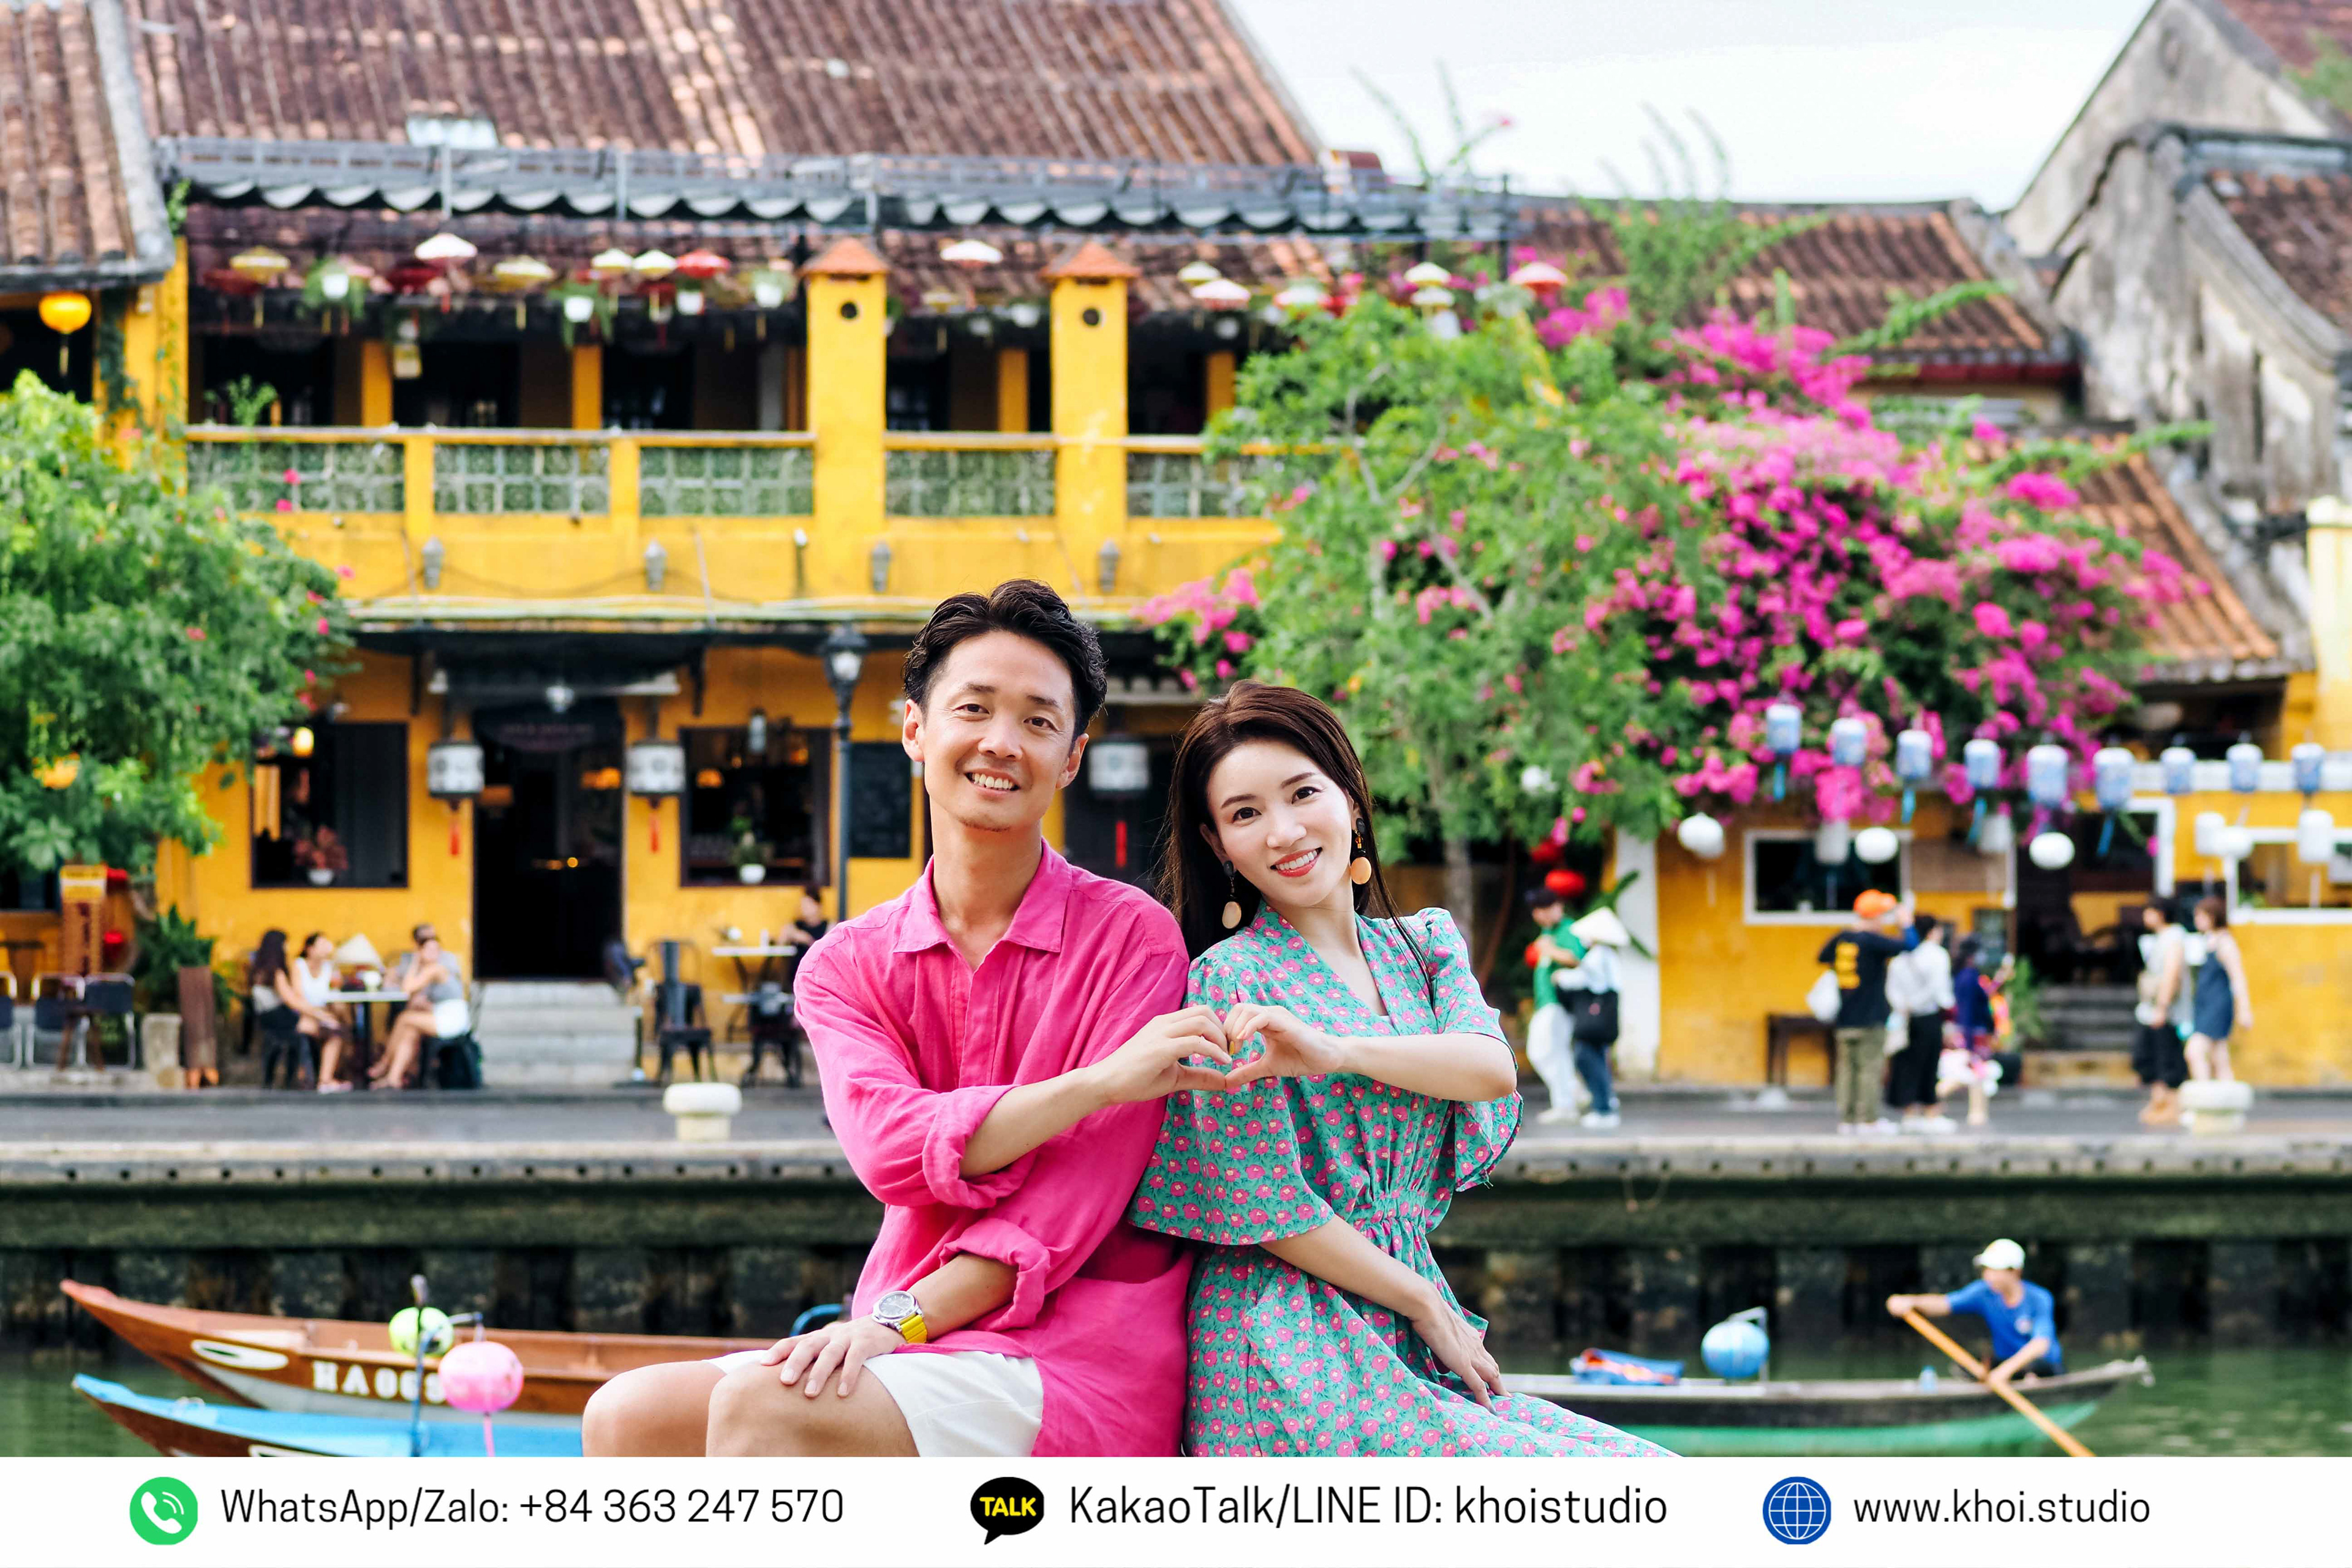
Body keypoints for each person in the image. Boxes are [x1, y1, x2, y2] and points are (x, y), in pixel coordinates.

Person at [584, 580, 1221, 1460]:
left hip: (1074, 1352)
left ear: (1072, 758)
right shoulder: (847, 964)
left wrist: (897, 1322)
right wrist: (1091, 1086)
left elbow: (1060, 1215)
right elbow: (890, 1153)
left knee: (769, 1412)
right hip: (906, 1330)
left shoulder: (1132, 940)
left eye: (1039, 722)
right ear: (916, 729)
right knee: (627, 1414)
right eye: (975, 709)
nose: (1002, 743)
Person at [1128, 680, 1668, 1457]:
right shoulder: (1229, 981)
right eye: (1245, 814)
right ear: (1220, 845)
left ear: (1350, 797)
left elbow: (1490, 1069)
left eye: (1302, 792)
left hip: (1409, 1310)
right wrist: (1419, 1297)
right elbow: (1265, 1204)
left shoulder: (1423, 946)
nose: (1283, 831)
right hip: (1284, 1332)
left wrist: (1336, 1050)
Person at [1885, 1238, 2064, 1386]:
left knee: (2035, 1369)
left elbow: (2041, 1345)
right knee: (1966, 1367)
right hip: (2004, 1361)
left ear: (2015, 1272)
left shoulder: (2039, 1298)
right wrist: (1910, 1301)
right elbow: (1943, 1304)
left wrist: (2004, 1372)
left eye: (1995, 1270)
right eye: (1987, 1270)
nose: (1988, 1276)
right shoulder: (1984, 1292)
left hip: (2041, 1366)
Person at [1817, 890, 1912, 1136]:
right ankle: (1868, 1120)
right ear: (1875, 917)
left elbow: (1822, 956)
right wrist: (1907, 924)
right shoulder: (1872, 941)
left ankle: (1847, 1121)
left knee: (1846, 1071)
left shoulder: (1843, 938)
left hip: (1845, 1019)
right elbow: (1910, 945)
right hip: (1871, 1018)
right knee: (1870, 1069)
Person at [1556, 907, 1626, 1131]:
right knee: (1599, 1059)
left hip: (1595, 1018)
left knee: (1586, 1058)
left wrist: (1560, 977)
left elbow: (1584, 979)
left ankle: (1603, 1109)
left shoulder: (1599, 955)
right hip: (1606, 1017)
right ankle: (1605, 1103)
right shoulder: (1607, 954)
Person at [1885, 914, 1954, 1135]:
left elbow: (1892, 989)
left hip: (1904, 1017)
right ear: (1933, 931)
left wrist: (1904, 1006)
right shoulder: (1938, 955)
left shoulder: (1900, 957)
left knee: (1906, 1064)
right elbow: (1939, 990)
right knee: (1929, 1064)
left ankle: (1909, 1112)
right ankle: (1931, 1112)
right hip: (1929, 1015)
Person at [372, 924, 463, 1089]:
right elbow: (413, 996)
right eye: (428, 950)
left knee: (404, 1018)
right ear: (420, 951)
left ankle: (385, 1062)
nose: (434, 954)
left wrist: (415, 962)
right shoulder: (427, 970)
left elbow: (407, 989)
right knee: (409, 1031)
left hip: (452, 1019)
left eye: (437, 950)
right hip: (439, 1014)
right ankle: (393, 1078)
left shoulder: (435, 969)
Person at [1521, 888, 1583, 1126]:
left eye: (1544, 908)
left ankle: (1568, 1097)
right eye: (1537, 910)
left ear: (1558, 907)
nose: (1539, 914)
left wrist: (1549, 950)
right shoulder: (1548, 932)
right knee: (1556, 1053)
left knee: (1542, 1052)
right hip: (1546, 1003)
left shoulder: (1568, 929)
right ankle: (1567, 1100)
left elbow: (1576, 957)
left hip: (1557, 1004)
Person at [2134, 900, 2190, 1125]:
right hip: (2151, 1009)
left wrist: (2162, 1006)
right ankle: (2158, 1101)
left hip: (2168, 1011)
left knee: (2168, 1058)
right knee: (2149, 1057)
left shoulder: (2174, 937)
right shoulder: (2159, 938)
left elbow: (2171, 973)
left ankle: (2172, 1106)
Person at [2185, 895, 2250, 1084]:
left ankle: (2204, 1097)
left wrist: (2244, 1009)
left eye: (2201, 916)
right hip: (2205, 1004)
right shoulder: (2206, 941)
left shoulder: (2225, 943)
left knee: (2195, 1051)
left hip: (2218, 1004)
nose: (2197, 920)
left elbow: (2238, 978)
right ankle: (2226, 1102)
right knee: (2219, 1057)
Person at [286, 932, 354, 1092]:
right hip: (304, 1014)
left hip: (324, 1014)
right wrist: (319, 1015)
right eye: (321, 944)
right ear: (310, 949)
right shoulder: (299, 966)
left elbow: (334, 994)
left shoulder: (329, 968)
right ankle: (307, 1077)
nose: (326, 948)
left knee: (336, 1032)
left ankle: (325, 1080)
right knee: (314, 1026)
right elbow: (299, 998)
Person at [1944, 938, 2001, 1128]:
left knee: (1977, 1074)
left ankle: (1978, 1113)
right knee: (1970, 1073)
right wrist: (1968, 1042)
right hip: (1972, 1034)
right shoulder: (1969, 977)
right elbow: (1967, 1011)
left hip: (1974, 1033)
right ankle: (1933, 1098)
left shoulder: (1967, 975)